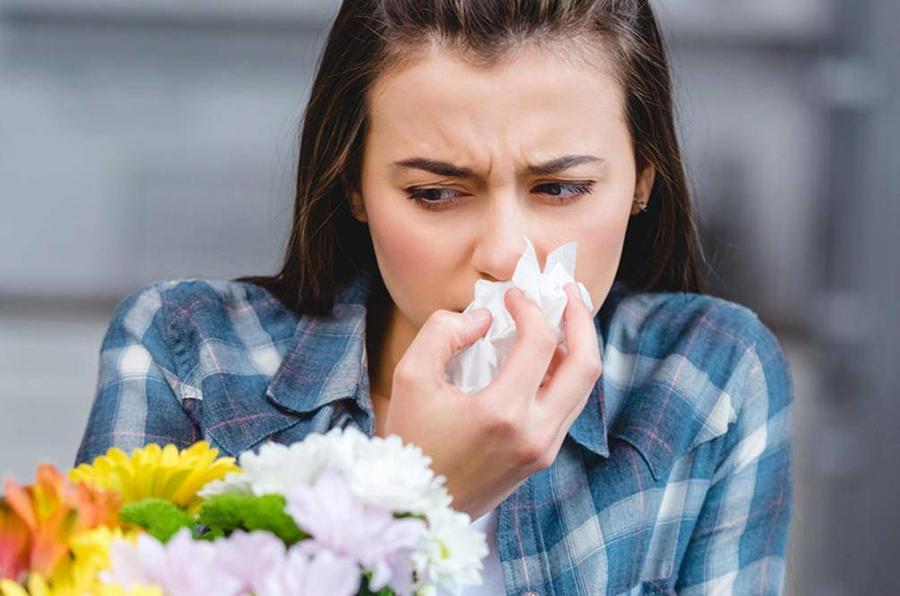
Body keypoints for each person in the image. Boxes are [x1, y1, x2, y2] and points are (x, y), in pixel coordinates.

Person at [75, 0, 793, 594]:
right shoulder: (187, 354)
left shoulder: (710, 375)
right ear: (353, 184)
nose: (505, 252)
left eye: (562, 188)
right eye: (436, 193)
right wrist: (415, 503)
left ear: (643, 178)